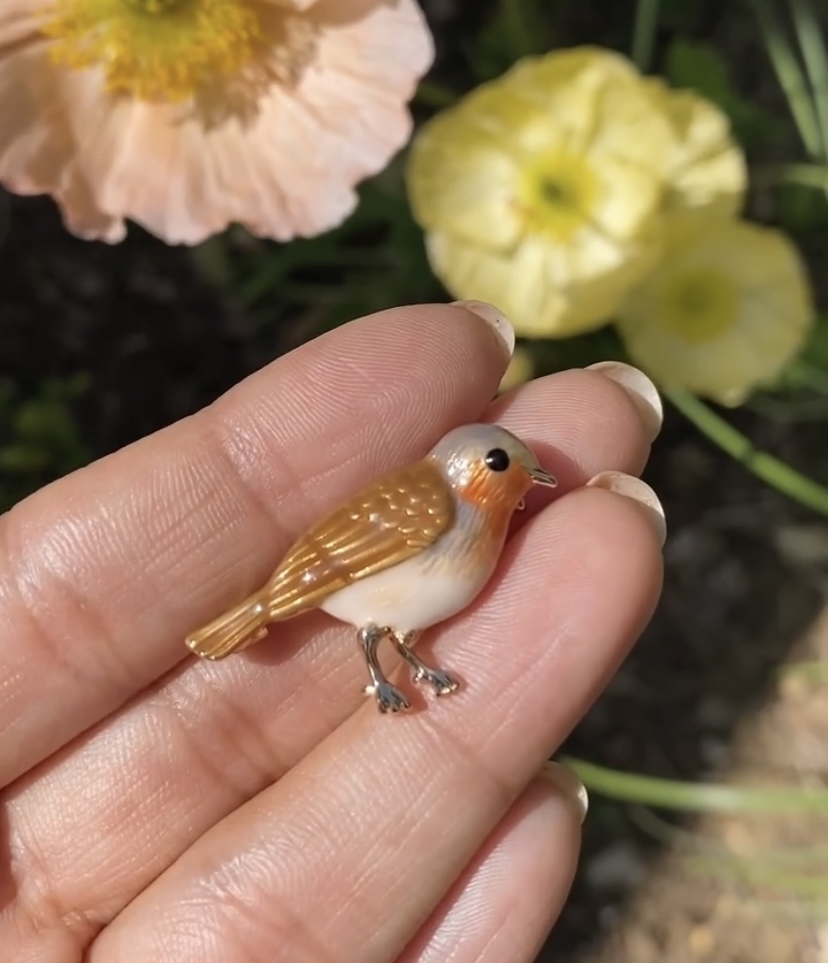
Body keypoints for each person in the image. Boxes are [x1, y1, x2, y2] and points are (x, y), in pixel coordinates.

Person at [0, 301, 665, 962]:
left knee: (402, 626)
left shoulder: (479, 524)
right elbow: (345, 553)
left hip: (392, 603)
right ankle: (381, 673)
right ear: (473, 466)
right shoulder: (429, 502)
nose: (521, 480)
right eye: (504, 465)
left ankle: (406, 662)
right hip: (344, 585)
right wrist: (276, 602)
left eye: (520, 470)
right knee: (376, 627)